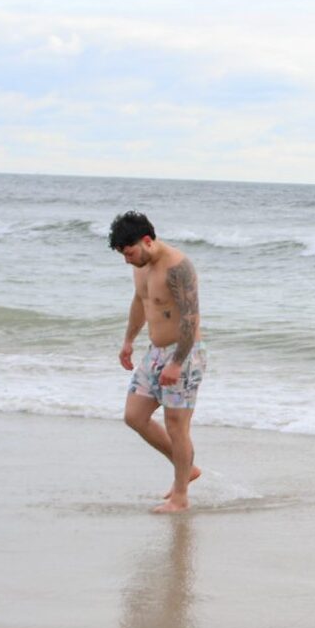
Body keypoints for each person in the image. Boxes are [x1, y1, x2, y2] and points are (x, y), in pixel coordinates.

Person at [110, 212, 205, 513]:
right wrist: (128, 341)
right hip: (154, 352)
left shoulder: (178, 267)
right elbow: (141, 301)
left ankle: (180, 497)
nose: (127, 260)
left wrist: (177, 362)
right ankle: (186, 469)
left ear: (147, 241)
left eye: (129, 253)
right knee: (134, 416)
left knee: (177, 427)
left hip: (184, 353)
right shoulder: (141, 266)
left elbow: (191, 319)